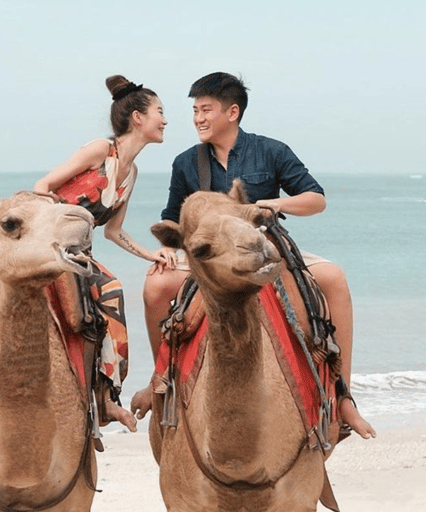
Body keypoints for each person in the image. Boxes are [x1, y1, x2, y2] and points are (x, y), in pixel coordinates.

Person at [0, 75, 176, 433]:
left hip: (75, 253)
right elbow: (44, 185)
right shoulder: (100, 150)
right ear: (138, 118)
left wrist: (151, 255)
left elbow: (113, 230)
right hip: (39, 237)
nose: (165, 120)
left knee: (113, 291)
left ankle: (106, 397)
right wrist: (45, 230)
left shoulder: (131, 173)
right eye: (160, 112)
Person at [130, 72, 376, 439]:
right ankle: (161, 380)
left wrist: (275, 203)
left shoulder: (272, 150)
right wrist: (165, 252)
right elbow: (171, 214)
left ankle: (343, 397)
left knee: (335, 278)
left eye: (206, 109)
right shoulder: (185, 162)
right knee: (154, 287)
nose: (198, 118)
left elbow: (316, 199)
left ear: (232, 112)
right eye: (195, 110)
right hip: (211, 259)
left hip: (266, 247)